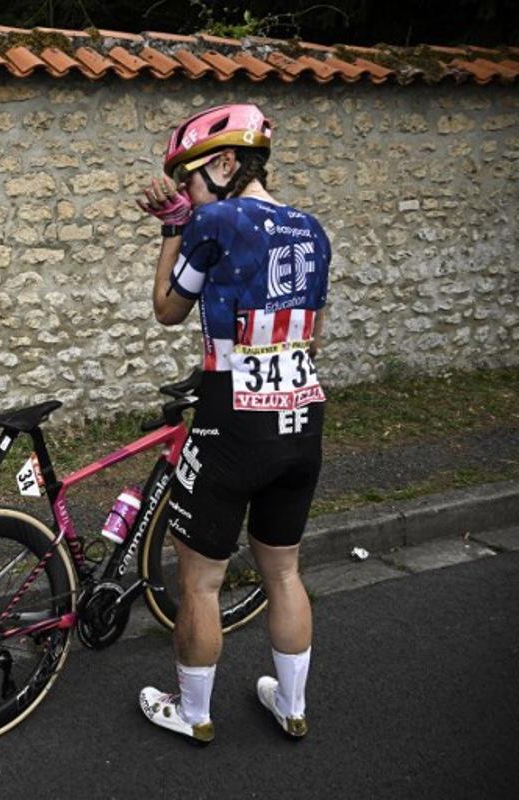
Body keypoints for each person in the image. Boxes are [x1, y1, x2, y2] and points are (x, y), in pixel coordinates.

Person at [133, 103, 332, 743]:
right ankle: (292, 704)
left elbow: (168, 308)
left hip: (232, 422)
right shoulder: (312, 229)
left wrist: (172, 229)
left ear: (223, 162)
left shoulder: (213, 220)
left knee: (201, 580)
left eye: (189, 181)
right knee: (284, 571)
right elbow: (315, 335)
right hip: (301, 418)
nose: (186, 196)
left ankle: (193, 713)